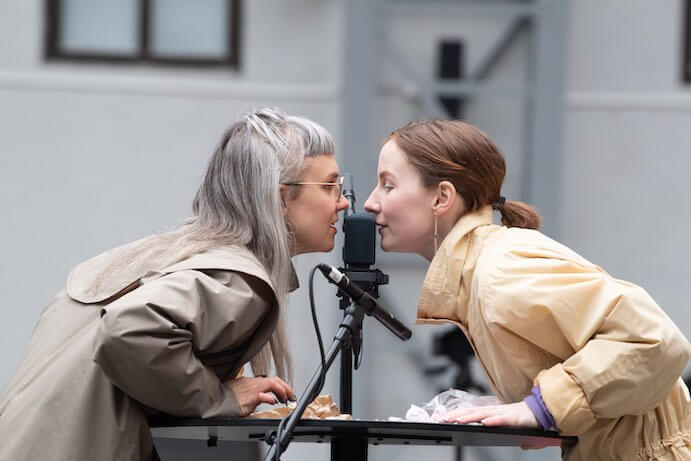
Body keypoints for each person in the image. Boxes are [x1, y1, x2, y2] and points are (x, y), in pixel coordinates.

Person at [0, 107, 349, 461]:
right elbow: (128, 329)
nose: (343, 201)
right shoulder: (239, 279)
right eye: (328, 186)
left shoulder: (167, 255)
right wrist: (220, 398)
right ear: (280, 198)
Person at [364, 119, 691, 460]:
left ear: (442, 197)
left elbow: (654, 339)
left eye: (388, 185)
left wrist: (542, 407)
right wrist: (527, 406)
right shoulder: (484, 270)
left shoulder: (500, 272)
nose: (371, 203)